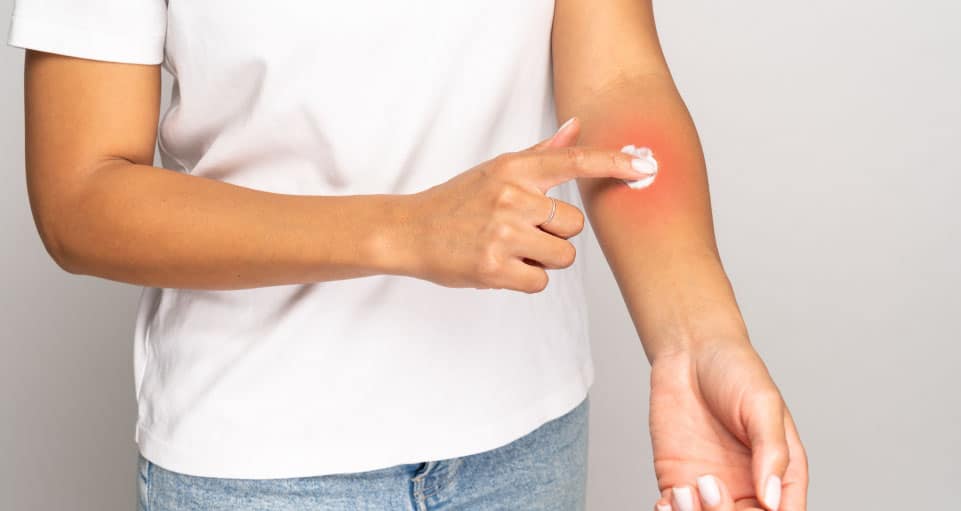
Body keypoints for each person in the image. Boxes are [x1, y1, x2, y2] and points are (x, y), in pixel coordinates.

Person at [7, 0, 808, 510]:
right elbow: (81, 195)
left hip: (526, 436)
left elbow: (616, 77)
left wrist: (698, 339)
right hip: (264, 463)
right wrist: (408, 230)